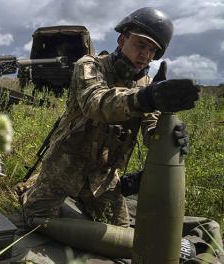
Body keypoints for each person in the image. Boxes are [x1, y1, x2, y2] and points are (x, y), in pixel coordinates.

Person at [20, 7, 200, 227]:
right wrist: (144, 98)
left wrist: (169, 134)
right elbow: (96, 102)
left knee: (121, 232)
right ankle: (34, 184)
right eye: (140, 45)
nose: (146, 54)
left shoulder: (145, 85)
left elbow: (150, 128)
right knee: (36, 220)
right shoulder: (89, 65)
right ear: (122, 40)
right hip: (63, 168)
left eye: (153, 50)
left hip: (102, 180)